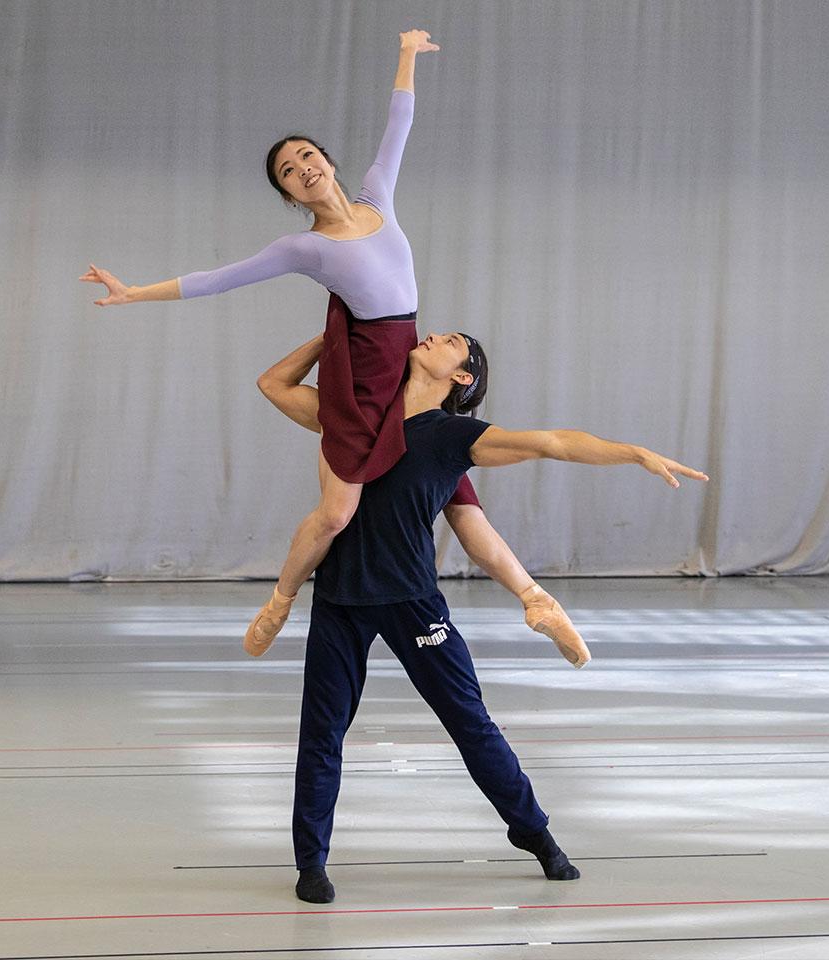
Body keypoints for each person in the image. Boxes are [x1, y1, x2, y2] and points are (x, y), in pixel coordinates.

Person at [79, 29, 590, 667]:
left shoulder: (378, 195)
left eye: (305, 156)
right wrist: (133, 294)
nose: (302, 169)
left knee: (458, 495)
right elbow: (217, 279)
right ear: (290, 196)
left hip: (406, 367)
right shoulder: (304, 248)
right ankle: (279, 603)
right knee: (336, 514)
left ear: (326, 159)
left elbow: (399, 121)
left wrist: (406, 52)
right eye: (288, 173)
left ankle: (537, 601)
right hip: (365, 383)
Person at [254, 331, 708, 903]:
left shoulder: (453, 437)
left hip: (412, 600)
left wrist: (633, 453)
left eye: (452, 341)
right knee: (321, 733)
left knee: (470, 723)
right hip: (340, 599)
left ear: (462, 377)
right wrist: (335, 331)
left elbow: (552, 443)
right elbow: (274, 383)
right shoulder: (354, 417)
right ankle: (311, 863)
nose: (433, 334)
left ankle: (536, 834)